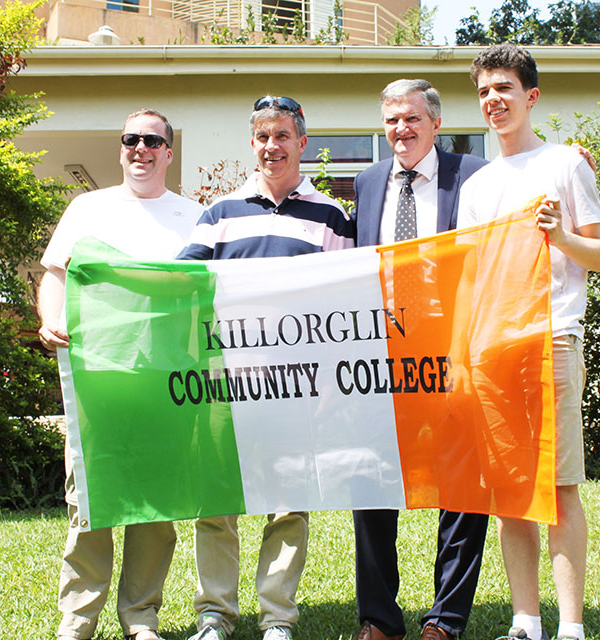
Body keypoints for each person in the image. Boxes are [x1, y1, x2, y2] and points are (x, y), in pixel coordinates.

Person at [178, 96, 355, 640]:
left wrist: (330, 380)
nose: (271, 146)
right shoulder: (219, 214)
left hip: (298, 385)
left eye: (282, 136)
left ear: (302, 142)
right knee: (218, 498)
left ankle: (277, 616)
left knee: (288, 502)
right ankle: (216, 613)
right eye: (262, 137)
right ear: (252, 145)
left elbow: (345, 307)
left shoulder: (331, 217)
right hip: (225, 381)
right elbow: (180, 289)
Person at [457, 44, 600, 640]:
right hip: (492, 349)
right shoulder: (478, 185)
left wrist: (563, 236)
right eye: (484, 92)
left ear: (531, 96)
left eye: (504, 88)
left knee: (559, 485)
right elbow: (470, 277)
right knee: (508, 491)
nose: (494, 100)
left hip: (551, 339)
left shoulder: (566, 166)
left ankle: (570, 626)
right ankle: (526, 622)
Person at [38, 109, 205, 640]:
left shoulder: (195, 217)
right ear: (121, 149)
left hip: (165, 381)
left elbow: (211, 295)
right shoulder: (88, 208)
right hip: (97, 379)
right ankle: (77, 622)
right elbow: (55, 274)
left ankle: (141, 619)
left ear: (168, 153)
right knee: (89, 500)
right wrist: (48, 318)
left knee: (155, 504)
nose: (141, 148)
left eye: (153, 141)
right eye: (131, 139)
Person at [351, 79, 489, 640]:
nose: (401, 130)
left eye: (411, 119)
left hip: (452, 344)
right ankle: (379, 618)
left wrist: (573, 161)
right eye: (391, 121)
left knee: (462, 484)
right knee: (371, 482)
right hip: (381, 348)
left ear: (434, 123)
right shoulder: (367, 180)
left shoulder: (473, 174)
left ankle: (446, 619)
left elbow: (523, 206)